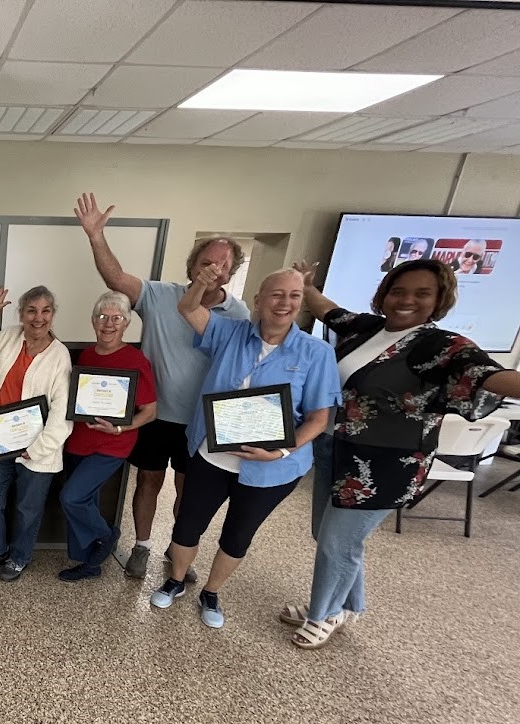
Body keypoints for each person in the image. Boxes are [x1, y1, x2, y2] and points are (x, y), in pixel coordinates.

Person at [283, 259, 520, 649]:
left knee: (337, 543)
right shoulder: (367, 329)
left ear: (439, 299)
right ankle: (345, 605)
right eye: (398, 291)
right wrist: (306, 286)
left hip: (385, 464)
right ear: (385, 294)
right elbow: (329, 310)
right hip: (335, 449)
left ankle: (323, 613)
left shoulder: (441, 345)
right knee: (327, 536)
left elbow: (488, 375)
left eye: (422, 293)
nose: (407, 300)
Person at [148, 267, 340, 629]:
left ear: (302, 303)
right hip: (211, 456)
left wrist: (280, 452)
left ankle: (211, 592)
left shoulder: (317, 353)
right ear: (258, 300)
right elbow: (188, 308)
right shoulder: (230, 332)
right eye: (276, 294)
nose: (284, 303)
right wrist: (202, 282)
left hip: (272, 468)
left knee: (237, 536)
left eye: (294, 295)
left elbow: (318, 418)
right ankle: (175, 580)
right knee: (187, 526)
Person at [75, 192, 251, 580]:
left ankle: (178, 548)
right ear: (192, 266)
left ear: (231, 272)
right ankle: (141, 546)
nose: (213, 270)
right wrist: (96, 237)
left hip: (201, 421)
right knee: (148, 481)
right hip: (154, 415)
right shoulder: (159, 295)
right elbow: (116, 279)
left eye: (222, 265)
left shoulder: (238, 313)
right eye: (206, 262)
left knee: (189, 490)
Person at [0, 285, 73, 582]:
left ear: (53, 314)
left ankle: (19, 557)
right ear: (21, 314)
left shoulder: (60, 355)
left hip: (38, 448)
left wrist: (38, 448)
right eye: (31, 310)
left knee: (27, 509)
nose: (38, 318)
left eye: (45, 311)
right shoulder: (10, 336)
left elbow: (62, 413)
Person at [58, 291, 157, 582]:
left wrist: (120, 428)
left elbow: (150, 411)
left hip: (112, 445)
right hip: (79, 441)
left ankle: (107, 534)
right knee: (86, 500)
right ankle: (90, 563)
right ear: (93, 321)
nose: (108, 324)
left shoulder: (136, 360)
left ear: (127, 323)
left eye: (117, 318)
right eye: (102, 317)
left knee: (72, 497)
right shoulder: (86, 355)